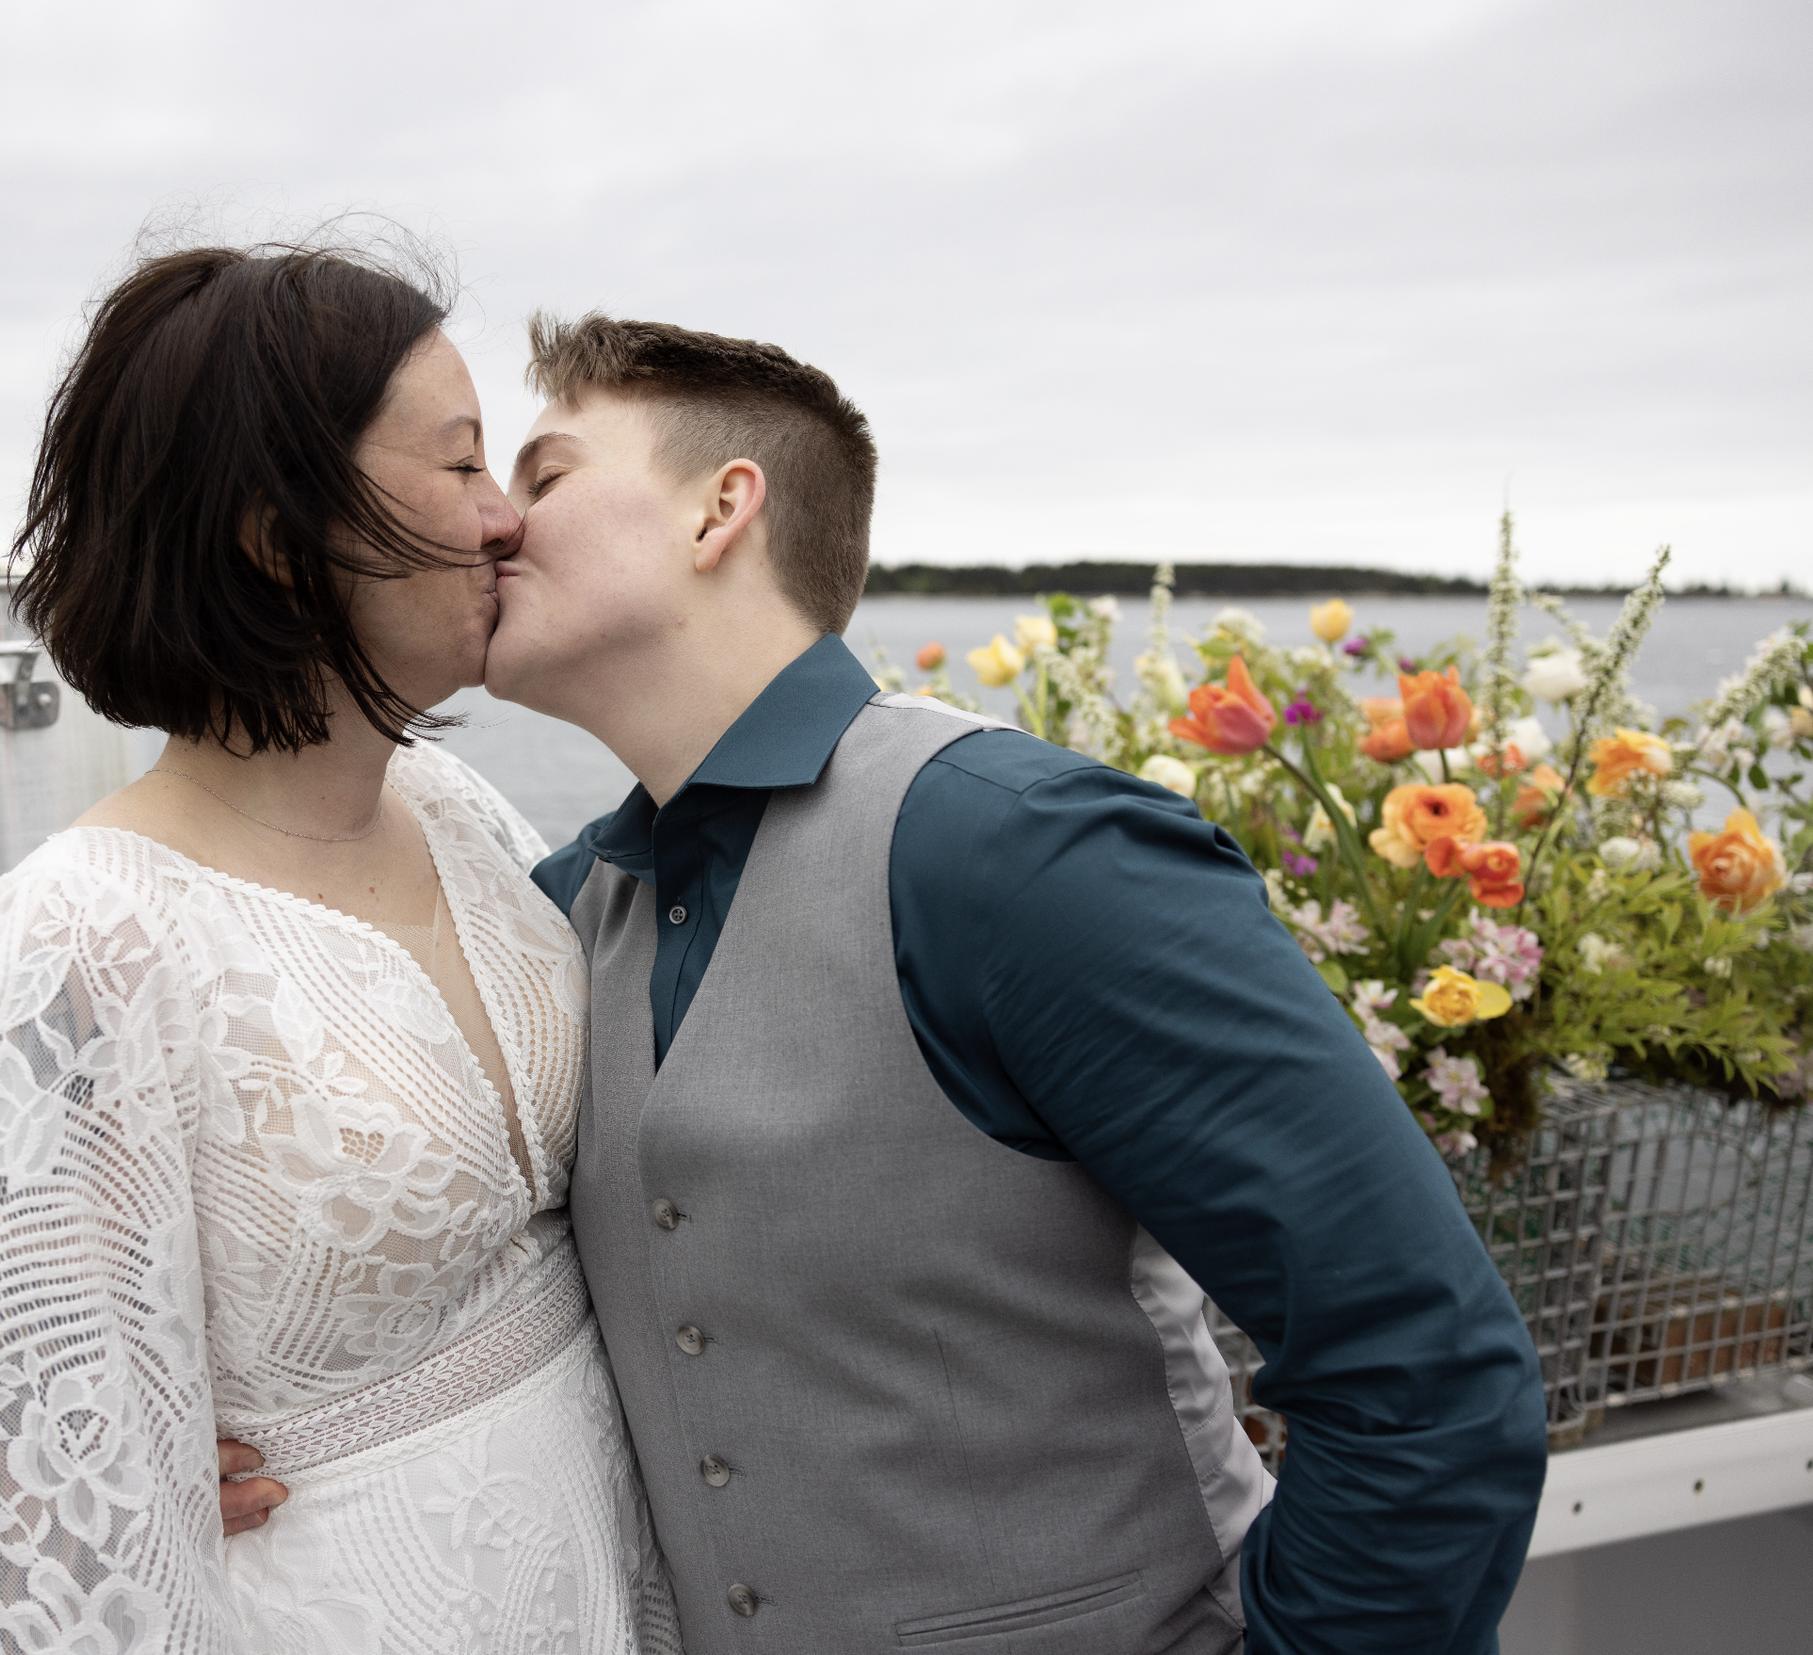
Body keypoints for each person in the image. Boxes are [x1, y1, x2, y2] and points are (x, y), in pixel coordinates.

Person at [477, 314, 1551, 1654]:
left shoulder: (1024, 853)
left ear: (720, 510)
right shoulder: (561, 911)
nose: (492, 525)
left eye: (545, 474)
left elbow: (1426, 1374)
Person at [0, 247, 681, 1654]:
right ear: (276, 538)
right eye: (460, 464)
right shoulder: (79, 938)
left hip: (603, 1570)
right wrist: (113, 1475)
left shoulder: (459, 811)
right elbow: (28, 1529)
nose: (508, 518)